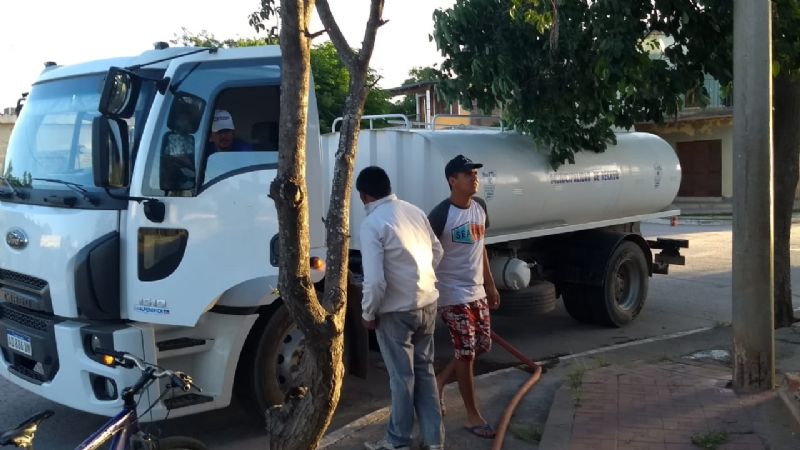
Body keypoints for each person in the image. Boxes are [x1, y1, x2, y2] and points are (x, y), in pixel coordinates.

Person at [357, 166, 445, 450]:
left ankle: (398, 441)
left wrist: (368, 313)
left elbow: (374, 282)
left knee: (402, 378)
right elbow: (437, 251)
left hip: (395, 313)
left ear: (363, 196)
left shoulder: (372, 224)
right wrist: (419, 280)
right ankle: (434, 441)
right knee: (425, 372)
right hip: (427, 303)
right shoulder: (414, 211)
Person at [427, 154, 501, 439]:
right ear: (452, 180)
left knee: (482, 345)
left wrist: (490, 285)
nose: (474, 177)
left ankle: (439, 382)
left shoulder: (480, 207)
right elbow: (426, 254)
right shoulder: (440, 215)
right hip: (451, 293)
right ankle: (472, 416)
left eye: (475, 173)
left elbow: (481, 247)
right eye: (468, 174)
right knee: (466, 351)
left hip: (476, 290)